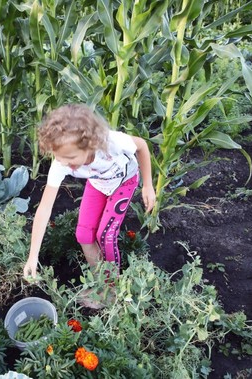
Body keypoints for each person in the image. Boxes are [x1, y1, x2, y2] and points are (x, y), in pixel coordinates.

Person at [23, 104, 156, 306]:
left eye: (69, 158)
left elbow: (142, 146)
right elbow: (44, 209)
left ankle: (113, 290)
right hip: (98, 184)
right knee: (84, 235)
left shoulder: (112, 142)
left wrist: (148, 185)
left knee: (106, 235)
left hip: (124, 182)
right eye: (58, 156)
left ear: (90, 145)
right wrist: (33, 257)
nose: (63, 163)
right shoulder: (61, 162)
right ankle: (101, 282)